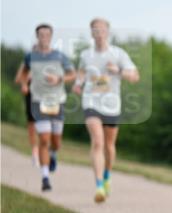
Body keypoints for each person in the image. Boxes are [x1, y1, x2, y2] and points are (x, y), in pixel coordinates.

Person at [72, 18, 139, 203]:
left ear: (107, 32)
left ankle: (108, 175)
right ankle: (99, 185)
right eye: (95, 30)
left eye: (102, 29)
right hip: (91, 102)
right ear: (92, 33)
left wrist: (117, 71)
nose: (99, 33)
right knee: (98, 142)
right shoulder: (86, 55)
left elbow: (135, 76)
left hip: (111, 105)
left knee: (109, 146)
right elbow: (82, 72)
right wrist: (78, 84)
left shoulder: (118, 54)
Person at [15, 24, 75, 192]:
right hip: (38, 101)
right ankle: (45, 177)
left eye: (47, 35)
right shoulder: (30, 56)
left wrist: (59, 78)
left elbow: (72, 74)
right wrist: (24, 84)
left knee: (56, 141)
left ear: (51, 37)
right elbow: (23, 74)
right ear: (37, 37)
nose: (44, 38)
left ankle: (53, 154)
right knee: (43, 139)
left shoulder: (60, 56)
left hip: (57, 101)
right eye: (41, 35)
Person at [13, 42, 41, 167]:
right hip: (31, 95)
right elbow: (18, 79)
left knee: (44, 124)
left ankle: (43, 150)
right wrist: (25, 83)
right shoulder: (26, 64)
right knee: (32, 124)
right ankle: (35, 152)